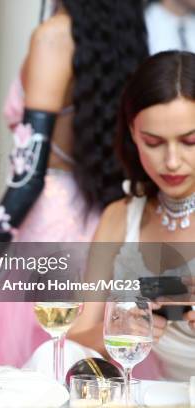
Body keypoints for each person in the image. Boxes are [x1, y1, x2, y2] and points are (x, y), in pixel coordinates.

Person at [0, 0, 149, 390]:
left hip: (47, 235)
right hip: (101, 224)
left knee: (27, 380)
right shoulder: (121, 36)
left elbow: (29, 180)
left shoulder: (54, 37)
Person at [68, 50, 195, 382]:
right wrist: (117, 329)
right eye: (153, 142)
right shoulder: (120, 217)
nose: (171, 162)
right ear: (132, 134)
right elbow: (73, 340)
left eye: (190, 142)